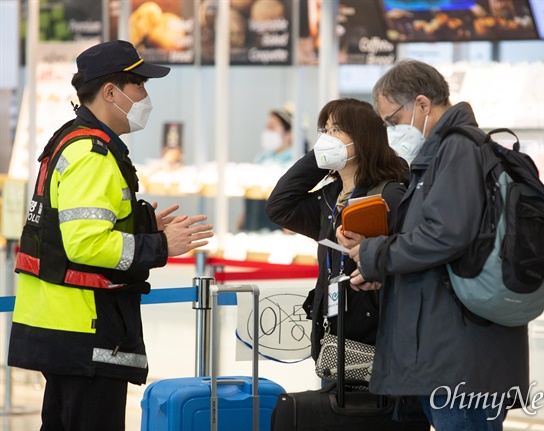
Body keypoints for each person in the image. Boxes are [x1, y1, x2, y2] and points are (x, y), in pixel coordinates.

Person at [8, 40, 214, 431]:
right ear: (110, 92)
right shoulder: (92, 155)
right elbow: (84, 243)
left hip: (65, 327)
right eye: (138, 85)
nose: (145, 95)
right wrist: (162, 245)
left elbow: (75, 228)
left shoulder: (75, 141)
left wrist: (145, 227)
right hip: (87, 330)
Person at [340, 59, 529, 430]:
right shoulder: (443, 152)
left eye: (392, 120)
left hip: (461, 352)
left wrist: (376, 253)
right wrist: (385, 271)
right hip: (452, 347)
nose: (390, 130)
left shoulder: (457, 150)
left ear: (423, 105)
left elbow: (446, 234)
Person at [265, 98, 408, 363]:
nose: (328, 138)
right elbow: (278, 207)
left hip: (376, 336)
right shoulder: (328, 197)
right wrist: (319, 157)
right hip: (331, 332)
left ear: (362, 137)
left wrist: (370, 249)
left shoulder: (389, 194)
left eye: (336, 130)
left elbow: (410, 257)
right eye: (325, 131)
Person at [238, 104, 295, 232]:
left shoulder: (295, 162)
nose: (267, 132)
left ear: (289, 133)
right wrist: (242, 219)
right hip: (252, 225)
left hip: (276, 228)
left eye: (272, 128)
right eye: (266, 128)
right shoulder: (261, 158)